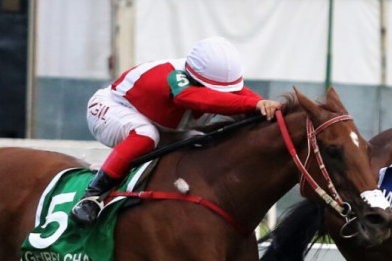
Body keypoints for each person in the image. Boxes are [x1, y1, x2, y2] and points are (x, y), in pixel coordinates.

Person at [70, 36, 283, 227]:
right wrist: (253, 104)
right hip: (112, 108)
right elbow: (193, 98)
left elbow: (242, 95)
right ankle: (92, 195)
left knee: (201, 141)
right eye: (216, 89)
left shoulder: (209, 75)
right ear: (195, 79)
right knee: (146, 135)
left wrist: (266, 105)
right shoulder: (176, 78)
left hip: (160, 124)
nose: (224, 94)